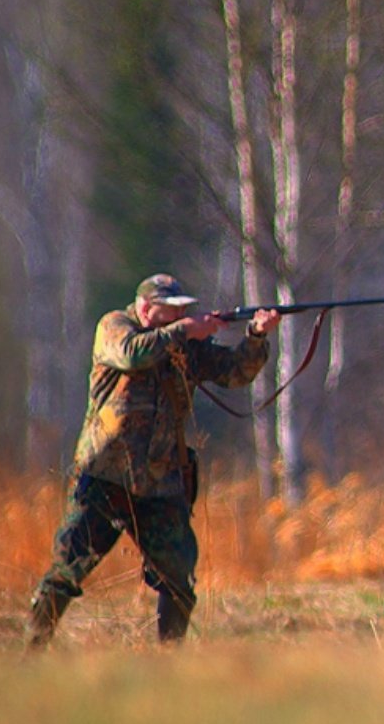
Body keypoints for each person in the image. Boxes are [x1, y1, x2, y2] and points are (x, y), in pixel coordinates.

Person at [27, 273, 280, 648]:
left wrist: (257, 336)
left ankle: (168, 658)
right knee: (69, 566)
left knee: (179, 576)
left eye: (181, 312)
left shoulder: (183, 345)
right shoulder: (116, 326)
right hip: (105, 478)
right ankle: (34, 646)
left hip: (160, 482)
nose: (178, 317)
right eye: (170, 311)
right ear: (145, 309)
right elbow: (132, 354)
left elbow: (234, 372)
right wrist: (185, 331)